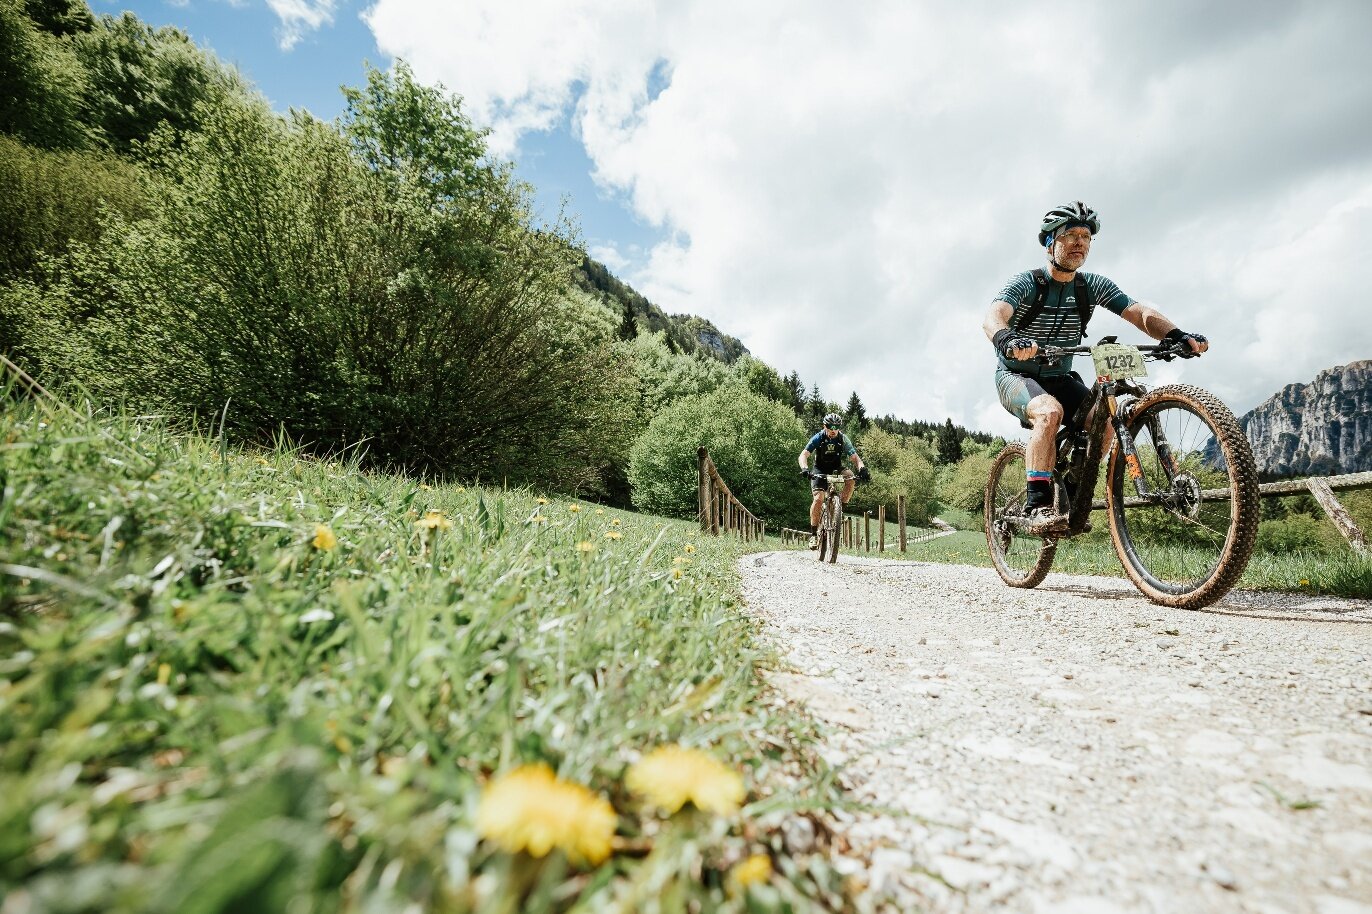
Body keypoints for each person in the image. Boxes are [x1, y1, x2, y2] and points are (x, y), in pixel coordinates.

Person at [981, 201, 1208, 535]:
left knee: (1104, 423)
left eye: (1086, 237)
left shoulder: (1091, 286)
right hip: (1017, 374)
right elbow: (994, 315)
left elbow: (1136, 311)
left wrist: (1176, 335)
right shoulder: (1028, 283)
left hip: (1061, 377)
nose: (1080, 243)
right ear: (1049, 243)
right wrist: (1006, 338)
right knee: (1048, 412)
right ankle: (1037, 505)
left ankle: (1074, 485)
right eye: (1070, 235)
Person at [798, 413, 870, 549]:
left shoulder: (842, 438)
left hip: (836, 468)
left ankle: (840, 509)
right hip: (819, 470)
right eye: (830, 426)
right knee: (818, 499)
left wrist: (862, 469)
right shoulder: (819, 437)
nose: (833, 430)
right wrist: (805, 468)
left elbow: (855, 457)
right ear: (824, 426)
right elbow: (804, 454)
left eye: (836, 427)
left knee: (850, 476)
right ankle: (813, 535)